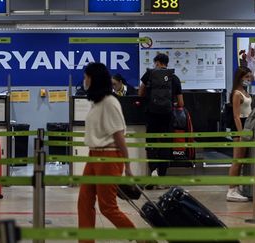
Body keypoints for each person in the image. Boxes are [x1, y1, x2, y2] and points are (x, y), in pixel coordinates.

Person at [77, 63, 150, 243]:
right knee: (84, 203)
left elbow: (119, 137)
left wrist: (128, 167)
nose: (84, 80)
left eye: (86, 77)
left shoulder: (110, 102)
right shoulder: (97, 102)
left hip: (109, 157)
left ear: (94, 79)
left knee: (107, 207)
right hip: (94, 156)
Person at [138, 53, 184, 183]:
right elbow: (181, 103)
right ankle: (162, 175)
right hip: (167, 115)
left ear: (157, 62)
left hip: (152, 114)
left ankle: (153, 171)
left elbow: (140, 93)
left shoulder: (149, 74)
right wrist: (171, 103)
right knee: (166, 144)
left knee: (151, 142)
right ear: (167, 63)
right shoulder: (174, 78)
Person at [226, 66, 252, 202]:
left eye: (250, 76)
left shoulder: (245, 92)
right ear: (240, 77)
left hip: (247, 127)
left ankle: (235, 188)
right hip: (240, 129)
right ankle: (231, 190)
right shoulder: (237, 93)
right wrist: (241, 134)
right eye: (247, 77)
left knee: (241, 161)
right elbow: (236, 116)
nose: (249, 79)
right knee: (237, 160)